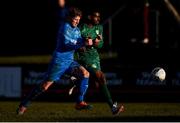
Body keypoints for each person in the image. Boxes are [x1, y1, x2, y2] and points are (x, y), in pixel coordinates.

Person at [16, 7, 92, 115]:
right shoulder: (65, 27)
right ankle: (24, 104)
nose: (77, 21)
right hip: (59, 62)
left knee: (85, 73)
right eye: (75, 19)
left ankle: (79, 102)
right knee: (45, 86)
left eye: (79, 19)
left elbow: (79, 45)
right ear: (69, 18)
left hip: (69, 61)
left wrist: (89, 42)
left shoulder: (77, 30)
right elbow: (67, 45)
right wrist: (83, 43)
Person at [75, 10, 124, 115]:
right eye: (96, 16)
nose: (98, 19)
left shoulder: (99, 28)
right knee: (101, 77)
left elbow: (101, 45)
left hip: (95, 58)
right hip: (85, 58)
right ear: (89, 16)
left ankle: (77, 80)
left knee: (99, 83)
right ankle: (113, 107)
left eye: (99, 17)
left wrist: (97, 43)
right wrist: (83, 45)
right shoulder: (81, 28)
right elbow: (77, 45)